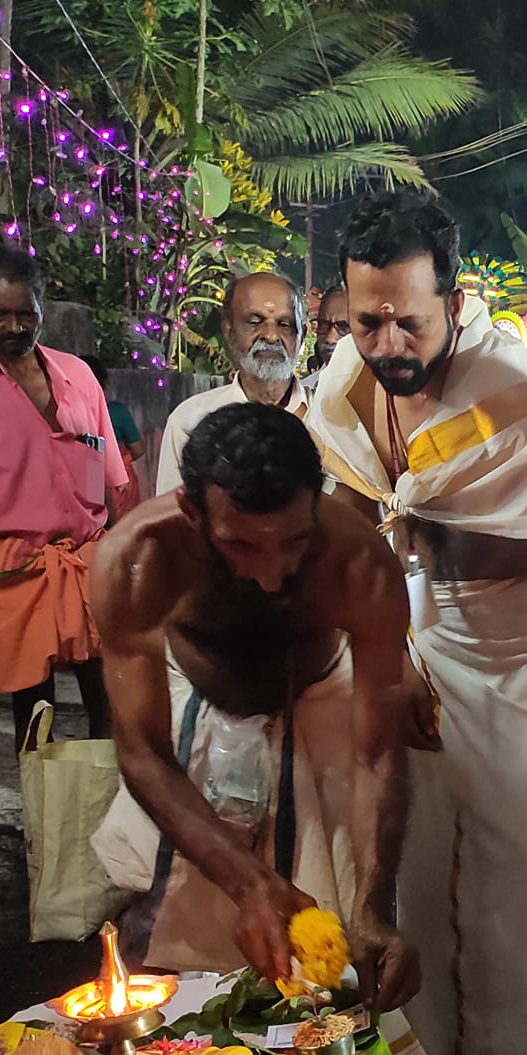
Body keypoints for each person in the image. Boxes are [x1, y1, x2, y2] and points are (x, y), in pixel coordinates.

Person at [308, 189, 527, 1055]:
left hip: (522, 650)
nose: (388, 340)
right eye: (367, 318)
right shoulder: (345, 384)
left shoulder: (506, 395)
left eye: (410, 319)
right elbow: (350, 533)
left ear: (456, 299)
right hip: (413, 619)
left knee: (520, 885)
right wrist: (386, 661)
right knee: (416, 852)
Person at [89, 403, 420, 1007]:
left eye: (294, 542)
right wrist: (249, 883)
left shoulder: (360, 564)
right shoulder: (135, 560)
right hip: (198, 705)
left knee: (336, 962)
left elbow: (376, 753)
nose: (271, 575)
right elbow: (141, 753)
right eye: (241, 545)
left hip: (318, 703)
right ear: (192, 513)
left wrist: (375, 907)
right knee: (179, 951)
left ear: (317, 506)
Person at [0, 243, 125, 750]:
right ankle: (44, 821)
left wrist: (109, 545)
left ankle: (107, 814)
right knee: (33, 710)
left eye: (26, 314)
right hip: (12, 571)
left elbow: (100, 475)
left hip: (86, 562)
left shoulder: (78, 377)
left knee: (109, 694)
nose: (14, 327)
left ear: (43, 308)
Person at [154, 272, 310, 495]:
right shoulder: (190, 421)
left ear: (302, 335)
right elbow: (172, 518)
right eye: (255, 322)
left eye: (285, 324)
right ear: (228, 331)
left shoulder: (333, 420)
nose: (271, 336)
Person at [88, 359, 143, 517]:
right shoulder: (117, 411)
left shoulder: (63, 411)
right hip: (117, 482)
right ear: (104, 382)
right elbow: (138, 449)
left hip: (83, 480)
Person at [308, 285, 351, 377]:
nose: (330, 339)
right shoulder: (307, 389)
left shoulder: (383, 388)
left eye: (343, 327)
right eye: (323, 325)